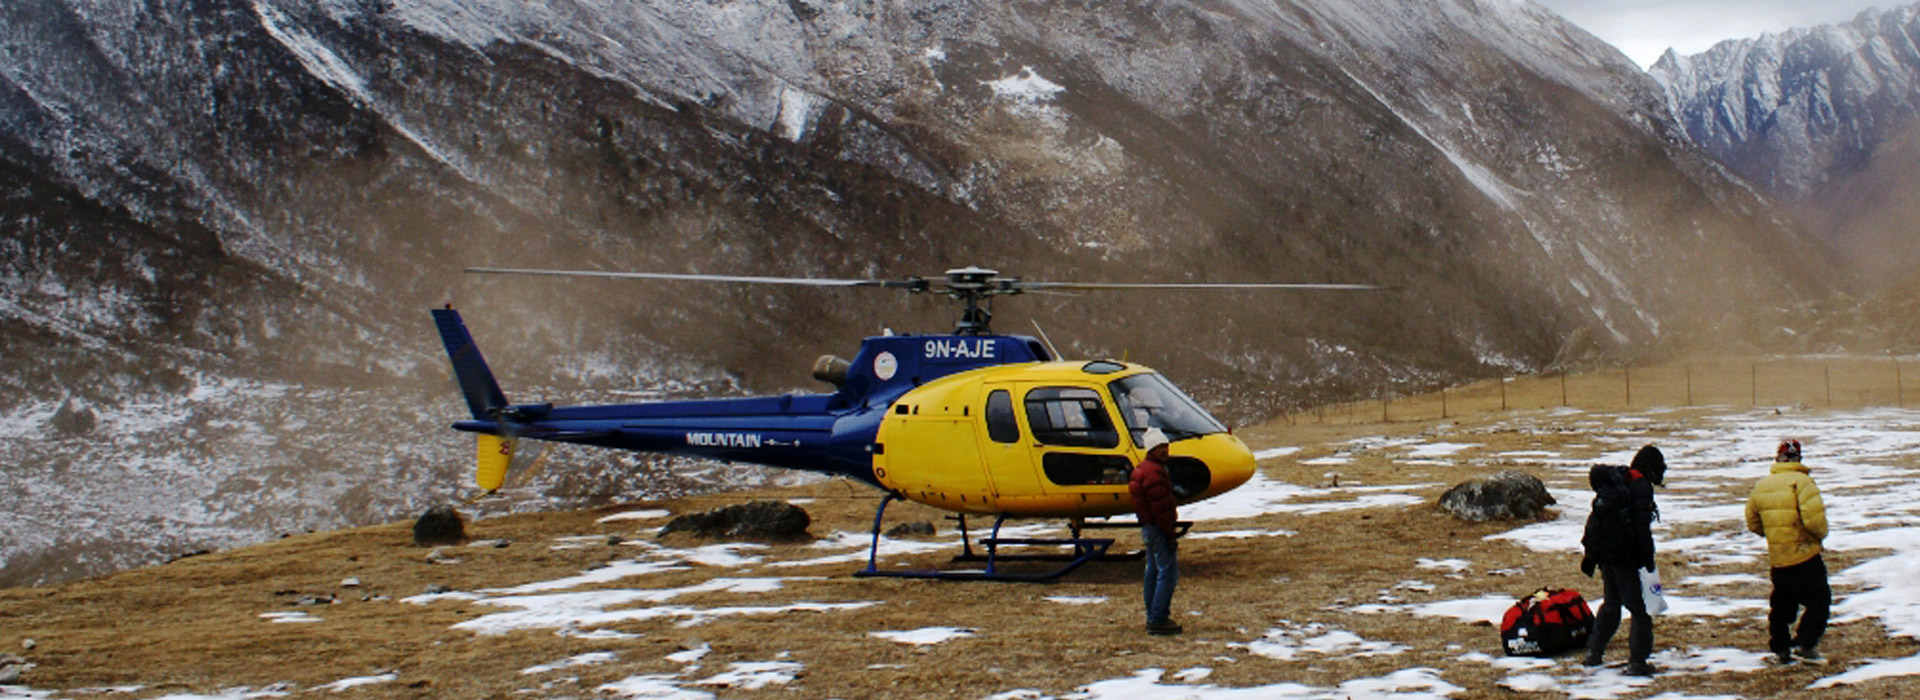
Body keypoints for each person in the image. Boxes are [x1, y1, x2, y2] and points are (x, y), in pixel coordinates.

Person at [1579, 444, 1667, 676]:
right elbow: (1641, 528)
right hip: (1624, 556)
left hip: (1606, 553)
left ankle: (1594, 653)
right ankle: (1638, 662)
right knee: (1639, 610)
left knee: (1611, 604)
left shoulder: (1620, 481)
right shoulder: (1640, 487)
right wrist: (1648, 560)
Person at [1746, 439, 1831, 665]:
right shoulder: (1802, 483)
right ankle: (1805, 644)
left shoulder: (1762, 485)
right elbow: (1815, 522)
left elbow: (1752, 522)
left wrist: (1774, 535)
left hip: (1779, 558)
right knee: (1819, 601)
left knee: (1782, 606)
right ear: (1798, 458)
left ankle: (1781, 648)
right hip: (1804, 555)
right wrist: (1818, 537)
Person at [1129, 427, 1181, 635]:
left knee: (1152, 571)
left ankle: (1153, 614)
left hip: (1148, 527)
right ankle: (1158, 618)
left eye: (1166, 446)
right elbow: (1160, 507)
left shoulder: (1142, 469)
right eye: (1160, 447)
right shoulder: (1154, 473)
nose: (1165, 450)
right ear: (1152, 449)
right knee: (1167, 573)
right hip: (1158, 529)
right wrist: (1169, 534)